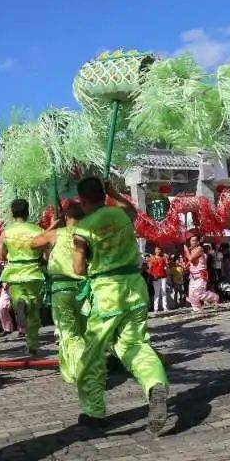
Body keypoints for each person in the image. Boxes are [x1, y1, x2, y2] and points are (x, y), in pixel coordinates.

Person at [70, 178, 168, 433]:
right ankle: (155, 383)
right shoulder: (121, 214)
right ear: (104, 195)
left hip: (107, 294)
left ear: (81, 199)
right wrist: (115, 193)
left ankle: (94, 412)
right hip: (135, 289)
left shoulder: (83, 228)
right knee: (135, 344)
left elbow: (78, 268)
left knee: (92, 356)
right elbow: (134, 211)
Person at [30, 203, 87, 384]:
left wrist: (52, 226)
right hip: (85, 288)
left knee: (69, 332)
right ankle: (79, 367)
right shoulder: (88, 234)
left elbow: (33, 243)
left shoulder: (56, 234)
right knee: (84, 331)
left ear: (66, 218)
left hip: (62, 289)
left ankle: (81, 370)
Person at [0, 199, 45, 354]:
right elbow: (44, 254)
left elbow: (2, 255)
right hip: (33, 272)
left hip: (14, 272)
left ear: (12, 213)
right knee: (34, 312)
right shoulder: (38, 230)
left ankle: (20, 302)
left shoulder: (6, 232)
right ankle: (32, 345)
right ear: (28, 211)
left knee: (18, 300)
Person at [184, 234, 220, 312]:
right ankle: (197, 309)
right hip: (193, 275)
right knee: (191, 294)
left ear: (197, 242)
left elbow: (191, 258)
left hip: (201, 274)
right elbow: (191, 261)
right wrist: (186, 266)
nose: (191, 242)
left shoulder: (199, 249)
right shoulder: (191, 250)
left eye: (194, 241)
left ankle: (214, 297)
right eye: (191, 240)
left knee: (199, 293)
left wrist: (185, 249)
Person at [146, 246, 170, 312]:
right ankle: (155, 308)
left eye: (159, 249)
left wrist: (167, 262)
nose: (158, 251)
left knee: (164, 292)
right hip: (155, 278)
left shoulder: (163, 258)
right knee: (156, 293)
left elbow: (166, 267)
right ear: (154, 250)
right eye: (157, 249)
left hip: (163, 277)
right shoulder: (152, 258)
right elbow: (150, 269)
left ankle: (165, 307)